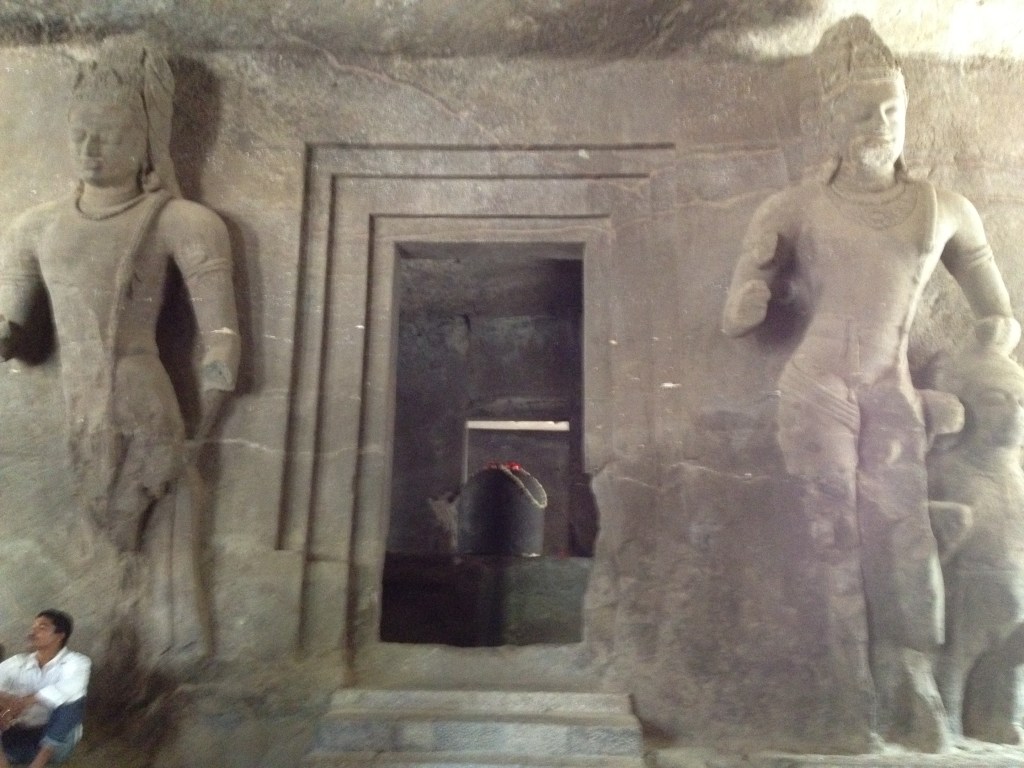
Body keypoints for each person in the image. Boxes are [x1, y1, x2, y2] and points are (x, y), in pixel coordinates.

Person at [721, 16, 1018, 750]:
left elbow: (999, 315)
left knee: (907, 541)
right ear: (833, 117)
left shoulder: (946, 208)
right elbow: (735, 314)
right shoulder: (793, 206)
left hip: (892, 391)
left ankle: (910, 688)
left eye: (891, 110)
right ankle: (846, 696)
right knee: (832, 539)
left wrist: (983, 362)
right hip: (817, 387)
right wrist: (750, 305)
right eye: (862, 111)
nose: (879, 124)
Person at [0, 35, 240, 665]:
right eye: (80, 133)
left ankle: (161, 655)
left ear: (147, 141)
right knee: (90, 540)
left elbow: (221, 337)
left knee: (153, 526)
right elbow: (21, 336)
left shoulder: (183, 222)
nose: (90, 148)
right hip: (74, 403)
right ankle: (97, 652)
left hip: (140, 397)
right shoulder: (34, 228)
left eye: (108, 134)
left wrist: (204, 418)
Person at [0, 611, 90, 768]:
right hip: (15, 740)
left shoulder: (77, 662)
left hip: (54, 745)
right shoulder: (18, 662)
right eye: (33, 627)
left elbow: (72, 687)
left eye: (42, 627)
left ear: (60, 635)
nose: (33, 632)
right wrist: (6, 700)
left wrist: (28, 701)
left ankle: (38, 764)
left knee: (74, 700)